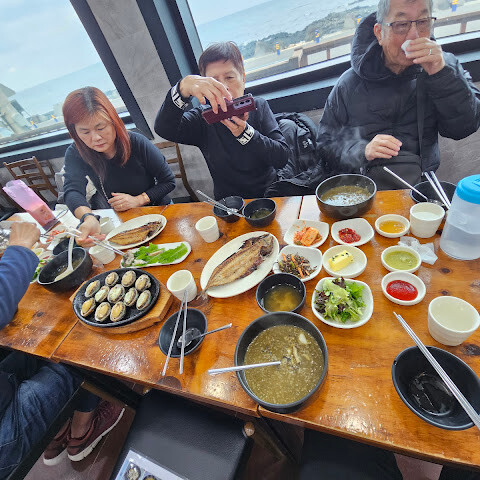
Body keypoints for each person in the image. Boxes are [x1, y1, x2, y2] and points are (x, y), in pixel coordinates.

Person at [0, 223, 124, 477]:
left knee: (35, 345)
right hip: (5, 434)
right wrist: (20, 248)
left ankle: (56, 434)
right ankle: (81, 432)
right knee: (79, 347)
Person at [316, 0, 480, 190]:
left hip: (420, 185)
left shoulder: (445, 68)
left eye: (423, 22)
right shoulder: (349, 84)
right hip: (363, 188)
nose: (414, 35)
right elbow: (325, 144)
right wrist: (362, 150)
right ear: (379, 33)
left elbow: (463, 128)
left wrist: (441, 74)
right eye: (401, 25)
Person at [154, 41, 290, 200]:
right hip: (229, 203)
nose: (223, 87)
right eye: (214, 81)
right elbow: (164, 129)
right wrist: (181, 89)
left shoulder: (258, 106)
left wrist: (245, 133)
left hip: (269, 196)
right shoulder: (202, 118)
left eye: (230, 77)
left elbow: (281, 158)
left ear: (243, 78)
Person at [62, 87, 176, 246]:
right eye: (85, 132)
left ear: (113, 121)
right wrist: (88, 217)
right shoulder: (76, 152)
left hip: (159, 211)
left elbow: (169, 181)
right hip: (124, 220)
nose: (96, 138)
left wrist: (138, 200)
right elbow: (72, 190)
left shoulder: (136, 142)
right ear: (74, 132)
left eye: (101, 128)